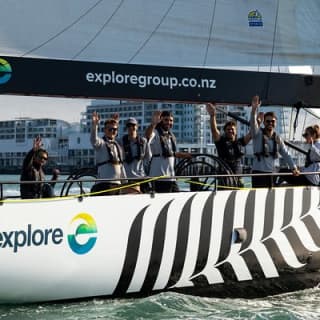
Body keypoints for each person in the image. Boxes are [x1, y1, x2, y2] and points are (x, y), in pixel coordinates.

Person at [250, 95, 299, 188]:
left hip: (273, 173)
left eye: (272, 121)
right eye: (268, 121)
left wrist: (294, 167)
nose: (270, 123)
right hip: (259, 173)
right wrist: (253, 110)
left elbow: (285, 153)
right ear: (264, 123)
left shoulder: (278, 138)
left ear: (275, 123)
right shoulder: (257, 133)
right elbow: (253, 123)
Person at [145, 110, 191, 193]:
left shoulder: (171, 136)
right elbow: (148, 135)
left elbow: (172, 153)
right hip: (158, 177)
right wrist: (153, 124)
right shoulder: (155, 132)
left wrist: (184, 155)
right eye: (166, 120)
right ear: (161, 120)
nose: (168, 122)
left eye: (171, 120)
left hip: (171, 177)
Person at [206, 103, 251, 186]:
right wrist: (212, 116)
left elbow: (252, 133)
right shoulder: (220, 141)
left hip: (238, 178)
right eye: (228, 129)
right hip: (224, 178)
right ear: (225, 131)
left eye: (232, 129)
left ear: (236, 131)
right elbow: (214, 130)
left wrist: (257, 120)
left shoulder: (240, 142)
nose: (230, 131)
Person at [90, 111, 126, 195]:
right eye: (110, 129)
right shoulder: (101, 144)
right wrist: (95, 125)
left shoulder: (117, 145)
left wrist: (125, 182)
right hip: (105, 184)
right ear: (105, 130)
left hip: (118, 184)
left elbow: (120, 164)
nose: (112, 131)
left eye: (115, 129)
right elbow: (93, 140)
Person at [121, 117, 151, 193]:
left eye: (133, 125)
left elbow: (149, 159)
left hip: (141, 177)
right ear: (127, 128)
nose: (131, 127)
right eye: (129, 126)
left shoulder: (143, 141)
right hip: (127, 178)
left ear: (137, 127)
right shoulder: (121, 141)